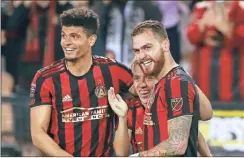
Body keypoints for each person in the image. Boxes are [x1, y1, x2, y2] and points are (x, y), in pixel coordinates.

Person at [29, 8, 135, 157]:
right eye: (64, 36)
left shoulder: (112, 70)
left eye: (74, 36)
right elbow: (38, 135)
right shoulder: (46, 78)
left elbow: (146, 92)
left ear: (91, 40)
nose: (67, 42)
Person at [108, 20, 212, 156]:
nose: (141, 55)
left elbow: (181, 141)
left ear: (165, 45)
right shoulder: (154, 88)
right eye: (137, 50)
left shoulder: (176, 83)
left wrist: (138, 156)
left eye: (147, 47)